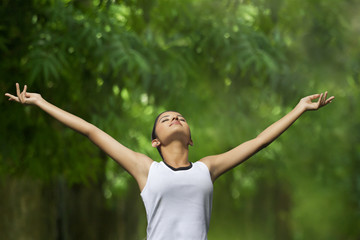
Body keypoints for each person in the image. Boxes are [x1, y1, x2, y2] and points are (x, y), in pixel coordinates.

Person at [5, 83, 334, 240]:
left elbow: (259, 141)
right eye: (166, 119)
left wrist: (299, 109)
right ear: (155, 141)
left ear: (190, 138)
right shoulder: (145, 169)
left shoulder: (209, 167)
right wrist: (43, 102)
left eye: (180, 117)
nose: (175, 118)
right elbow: (92, 131)